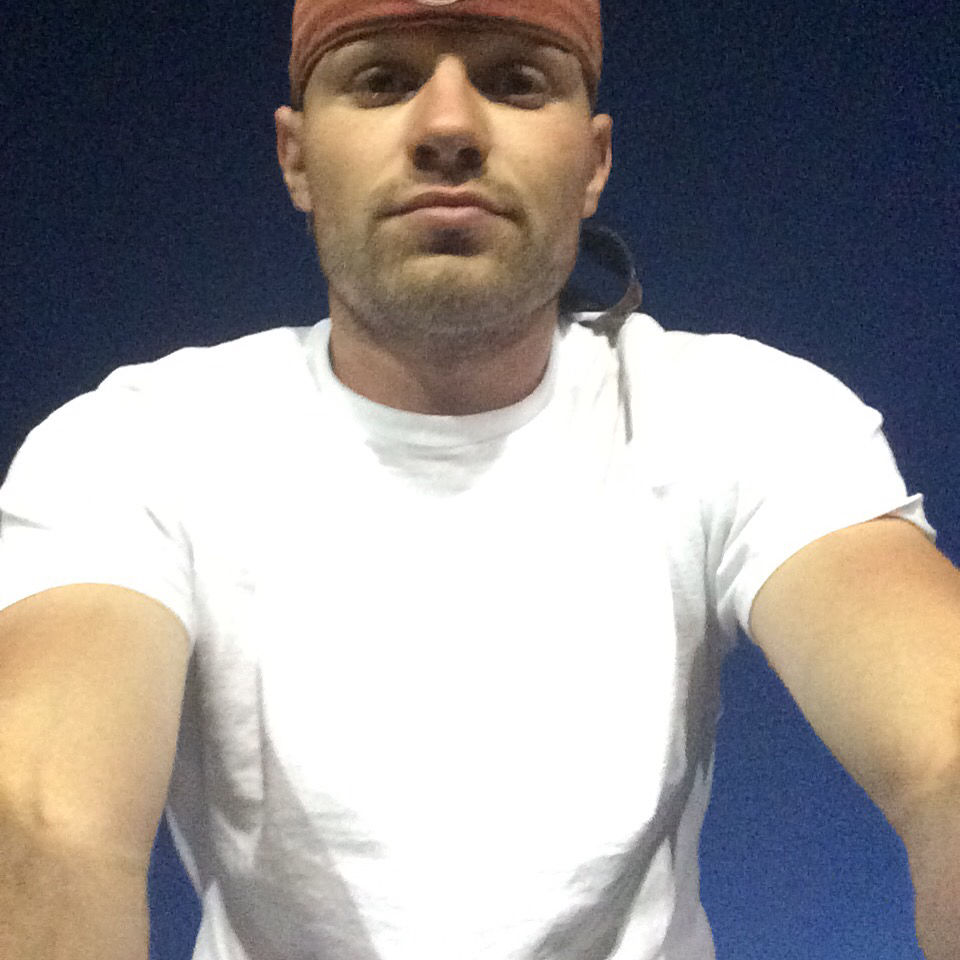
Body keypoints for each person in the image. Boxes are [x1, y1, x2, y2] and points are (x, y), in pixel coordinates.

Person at [0, 1, 957, 958]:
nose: (449, 126)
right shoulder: (134, 446)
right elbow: (44, 827)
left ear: (592, 162)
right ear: (296, 157)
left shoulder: (742, 414)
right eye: (381, 80)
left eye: (515, 81)